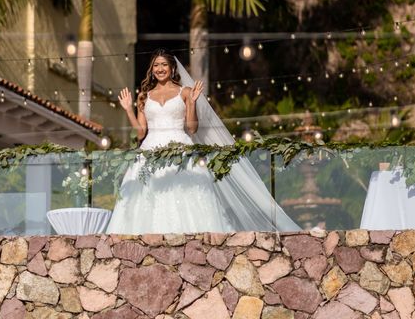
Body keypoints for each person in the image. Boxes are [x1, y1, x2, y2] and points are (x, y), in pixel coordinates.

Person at [106, 49, 300, 234]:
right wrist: (128, 110)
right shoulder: (144, 96)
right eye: (156, 65)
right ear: (151, 69)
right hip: (149, 150)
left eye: (164, 64)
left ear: (172, 68)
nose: (159, 68)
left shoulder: (185, 92)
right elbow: (140, 134)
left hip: (179, 148)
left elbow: (192, 128)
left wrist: (191, 102)